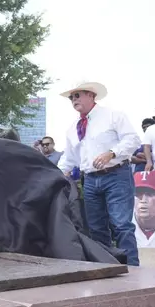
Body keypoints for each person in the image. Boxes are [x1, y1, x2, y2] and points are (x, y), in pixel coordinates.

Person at [57, 81, 141, 266]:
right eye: (71, 97)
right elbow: (69, 158)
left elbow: (133, 139)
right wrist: (57, 174)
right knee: (96, 229)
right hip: (90, 180)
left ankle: (133, 268)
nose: (73, 100)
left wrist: (111, 153)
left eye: (77, 95)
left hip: (116, 174)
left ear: (91, 95)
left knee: (121, 225)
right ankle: (108, 267)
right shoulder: (73, 128)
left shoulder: (112, 115)